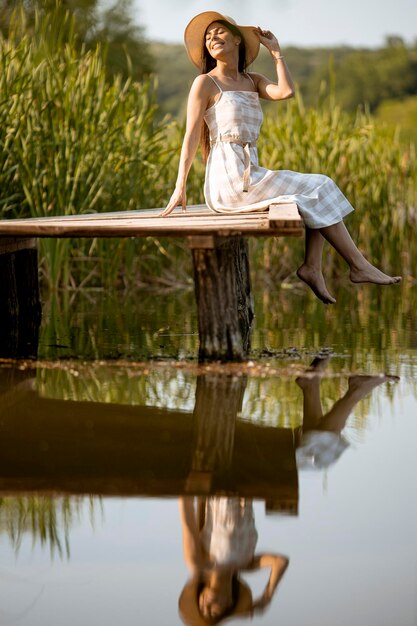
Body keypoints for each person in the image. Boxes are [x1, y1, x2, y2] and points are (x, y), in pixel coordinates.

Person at [160, 11, 401, 304]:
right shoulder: (205, 84)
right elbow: (191, 136)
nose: (212, 39)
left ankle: (315, 267)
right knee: (318, 186)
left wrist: (276, 53)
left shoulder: (253, 81)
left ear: (237, 38)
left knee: (318, 186)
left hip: (252, 173)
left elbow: (286, 91)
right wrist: (179, 186)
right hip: (230, 179)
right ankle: (353, 265)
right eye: (208, 37)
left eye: (219, 32)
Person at [179, 495, 289, 624]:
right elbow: (281, 561)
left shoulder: (198, 563)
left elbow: (186, 510)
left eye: (201, 608)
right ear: (230, 602)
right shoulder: (246, 564)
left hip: (218, 482)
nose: (205, 608)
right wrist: (267, 596)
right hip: (247, 485)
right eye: (214, 612)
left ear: (200, 595)